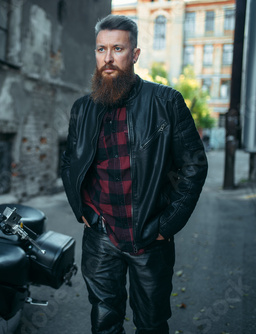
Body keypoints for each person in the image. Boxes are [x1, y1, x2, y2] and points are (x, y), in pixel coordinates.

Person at [61, 14, 208, 334]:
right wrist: (82, 209)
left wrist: (166, 225)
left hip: (149, 237)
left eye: (118, 49)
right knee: (104, 319)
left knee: (152, 322)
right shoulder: (82, 108)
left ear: (136, 54)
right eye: (101, 49)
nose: (108, 58)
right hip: (100, 236)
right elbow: (69, 161)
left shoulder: (167, 101)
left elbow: (194, 165)